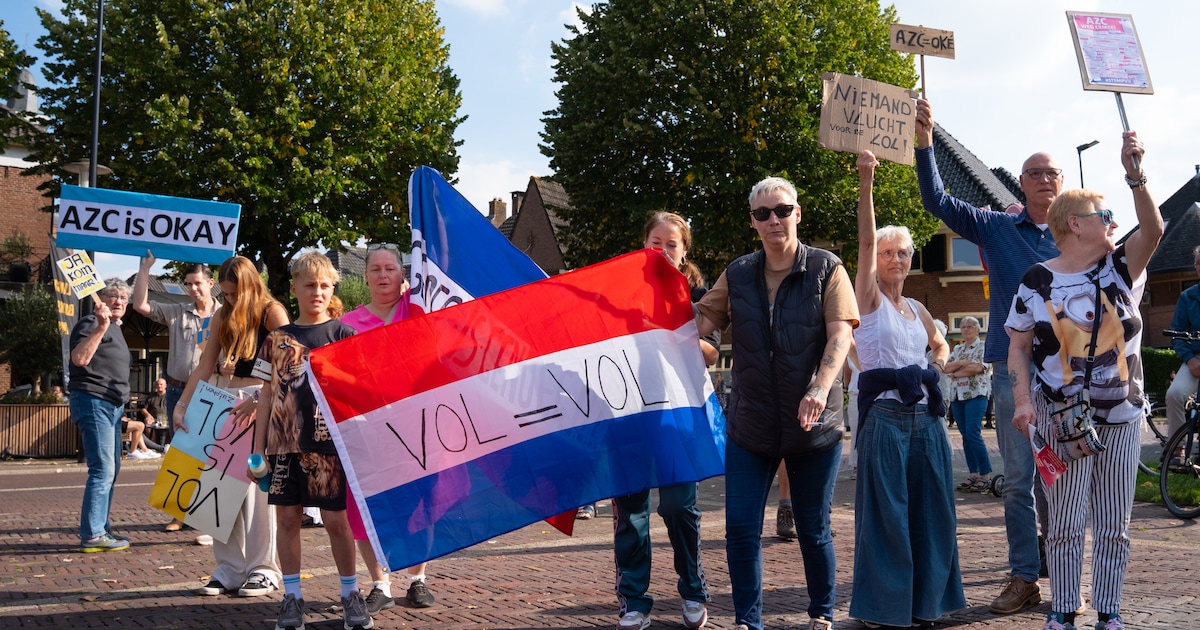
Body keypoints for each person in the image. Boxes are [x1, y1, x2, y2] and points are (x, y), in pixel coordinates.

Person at [1007, 132, 1161, 630]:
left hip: (1120, 416)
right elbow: (1018, 345)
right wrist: (1022, 401)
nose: (1114, 223)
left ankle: (1109, 612)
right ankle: (1062, 611)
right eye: (1105, 215)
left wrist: (1134, 173)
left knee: (1115, 523)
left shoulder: (1118, 269)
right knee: (1066, 523)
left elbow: (1154, 229)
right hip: (1063, 419)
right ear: (1076, 224)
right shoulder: (1035, 280)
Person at [915, 98, 1060, 614]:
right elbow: (938, 200)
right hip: (1011, 371)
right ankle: (1024, 577)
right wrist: (924, 142)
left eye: (1052, 173)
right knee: (1020, 479)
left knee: (1060, 477)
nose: (1045, 180)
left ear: (1061, 184)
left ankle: (1063, 572)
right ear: (1022, 182)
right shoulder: (998, 226)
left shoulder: (1074, 234)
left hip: (1067, 375)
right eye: (1035, 173)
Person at [695, 176, 857, 630]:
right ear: (753, 222)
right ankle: (749, 621)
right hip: (751, 424)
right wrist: (648, 322)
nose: (774, 220)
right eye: (763, 214)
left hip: (814, 425)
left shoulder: (827, 268)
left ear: (798, 214)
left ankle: (821, 613)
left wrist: (819, 388)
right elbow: (702, 319)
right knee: (741, 530)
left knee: (813, 528)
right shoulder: (738, 272)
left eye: (783, 210)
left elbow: (841, 334)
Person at [850, 150, 964, 628]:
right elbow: (862, 241)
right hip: (885, 418)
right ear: (876, 261)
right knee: (887, 518)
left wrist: (934, 368)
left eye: (903, 252)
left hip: (926, 420)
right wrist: (866, 182)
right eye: (887, 252)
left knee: (934, 513)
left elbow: (939, 344)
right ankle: (884, 609)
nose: (896, 258)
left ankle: (926, 605)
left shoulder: (917, 308)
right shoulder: (867, 297)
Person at [251, 252, 369, 630]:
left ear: (332, 288)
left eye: (324, 285)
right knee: (287, 519)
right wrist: (258, 449)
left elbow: (360, 391)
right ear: (294, 289)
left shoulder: (344, 336)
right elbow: (266, 395)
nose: (317, 292)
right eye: (309, 285)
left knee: (336, 520)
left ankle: (351, 593)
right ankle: (292, 598)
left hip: (329, 445)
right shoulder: (275, 339)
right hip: (283, 445)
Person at [612, 212, 715, 630]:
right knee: (631, 510)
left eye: (671, 244)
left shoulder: (698, 293)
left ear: (684, 250)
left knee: (677, 507)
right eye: (655, 242)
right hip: (626, 414)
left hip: (677, 414)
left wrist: (677, 334)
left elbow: (711, 351)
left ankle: (692, 588)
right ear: (643, 246)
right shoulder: (618, 292)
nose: (663, 250)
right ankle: (634, 600)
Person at [173, 256, 287, 598]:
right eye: (225, 294)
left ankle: (263, 569)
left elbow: (289, 364)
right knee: (217, 486)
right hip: (223, 400)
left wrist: (260, 400)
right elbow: (204, 366)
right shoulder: (223, 313)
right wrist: (182, 406)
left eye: (235, 293)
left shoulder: (272, 312)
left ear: (251, 286)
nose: (230, 299)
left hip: (259, 400)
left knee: (255, 490)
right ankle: (229, 568)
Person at [337, 242, 436, 615]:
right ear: (364, 276)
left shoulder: (419, 309)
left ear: (402, 275)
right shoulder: (347, 324)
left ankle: (418, 579)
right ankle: (379, 583)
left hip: (418, 423)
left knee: (422, 502)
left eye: (390, 269)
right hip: (368, 430)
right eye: (375, 269)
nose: (382, 276)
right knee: (365, 507)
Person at [132, 256, 219, 531]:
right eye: (189, 284)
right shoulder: (177, 311)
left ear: (211, 283)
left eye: (197, 284)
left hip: (213, 391)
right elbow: (140, 305)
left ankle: (205, 515)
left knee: (211, 453)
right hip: (178, 391)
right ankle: (179, 513)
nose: (193, 289)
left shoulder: (225, 314)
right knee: (180, 452)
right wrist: (145, 268)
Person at [69, 278, 133, 552]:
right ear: (101, 300)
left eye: (123, 298)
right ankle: (93, 534)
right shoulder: (90, 323)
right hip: (95, 401)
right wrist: (101, 326)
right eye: (113, 296)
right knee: (103, 469)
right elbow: (79, 359)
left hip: (112, 406)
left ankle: (100, 527)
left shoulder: (117, 329)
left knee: (112, 469)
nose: (118, 301)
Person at [946, 316, 993, 491]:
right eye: (963, 327)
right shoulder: (957, 349)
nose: (965, 329)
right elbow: (945, 367)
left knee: (973, 432)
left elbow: (979, 368)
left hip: (976, 394)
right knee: (965, 435)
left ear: (977, 329)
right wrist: (963, 363)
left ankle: (985, 475)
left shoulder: (983, 346)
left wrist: (957, 372)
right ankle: (973, 473)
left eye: (970, 326)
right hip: (958, 396)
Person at [1165, 245, 1200, 465]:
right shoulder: (1187, 298)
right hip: (1195, 359)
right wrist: (1190, 359)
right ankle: (1177, 450)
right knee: (1174, 394)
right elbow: (1177, 335)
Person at [137, 377, 170, 452]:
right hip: (153, 419)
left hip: (167, 419)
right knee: (147, 424)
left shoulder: (169, 396)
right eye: (158, 384)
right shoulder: (151, 397)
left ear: (166, 386)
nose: (159, 386)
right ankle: (153, 445)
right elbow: (143, 409)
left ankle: (165, 446)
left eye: (161, 384)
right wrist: (148, 415)